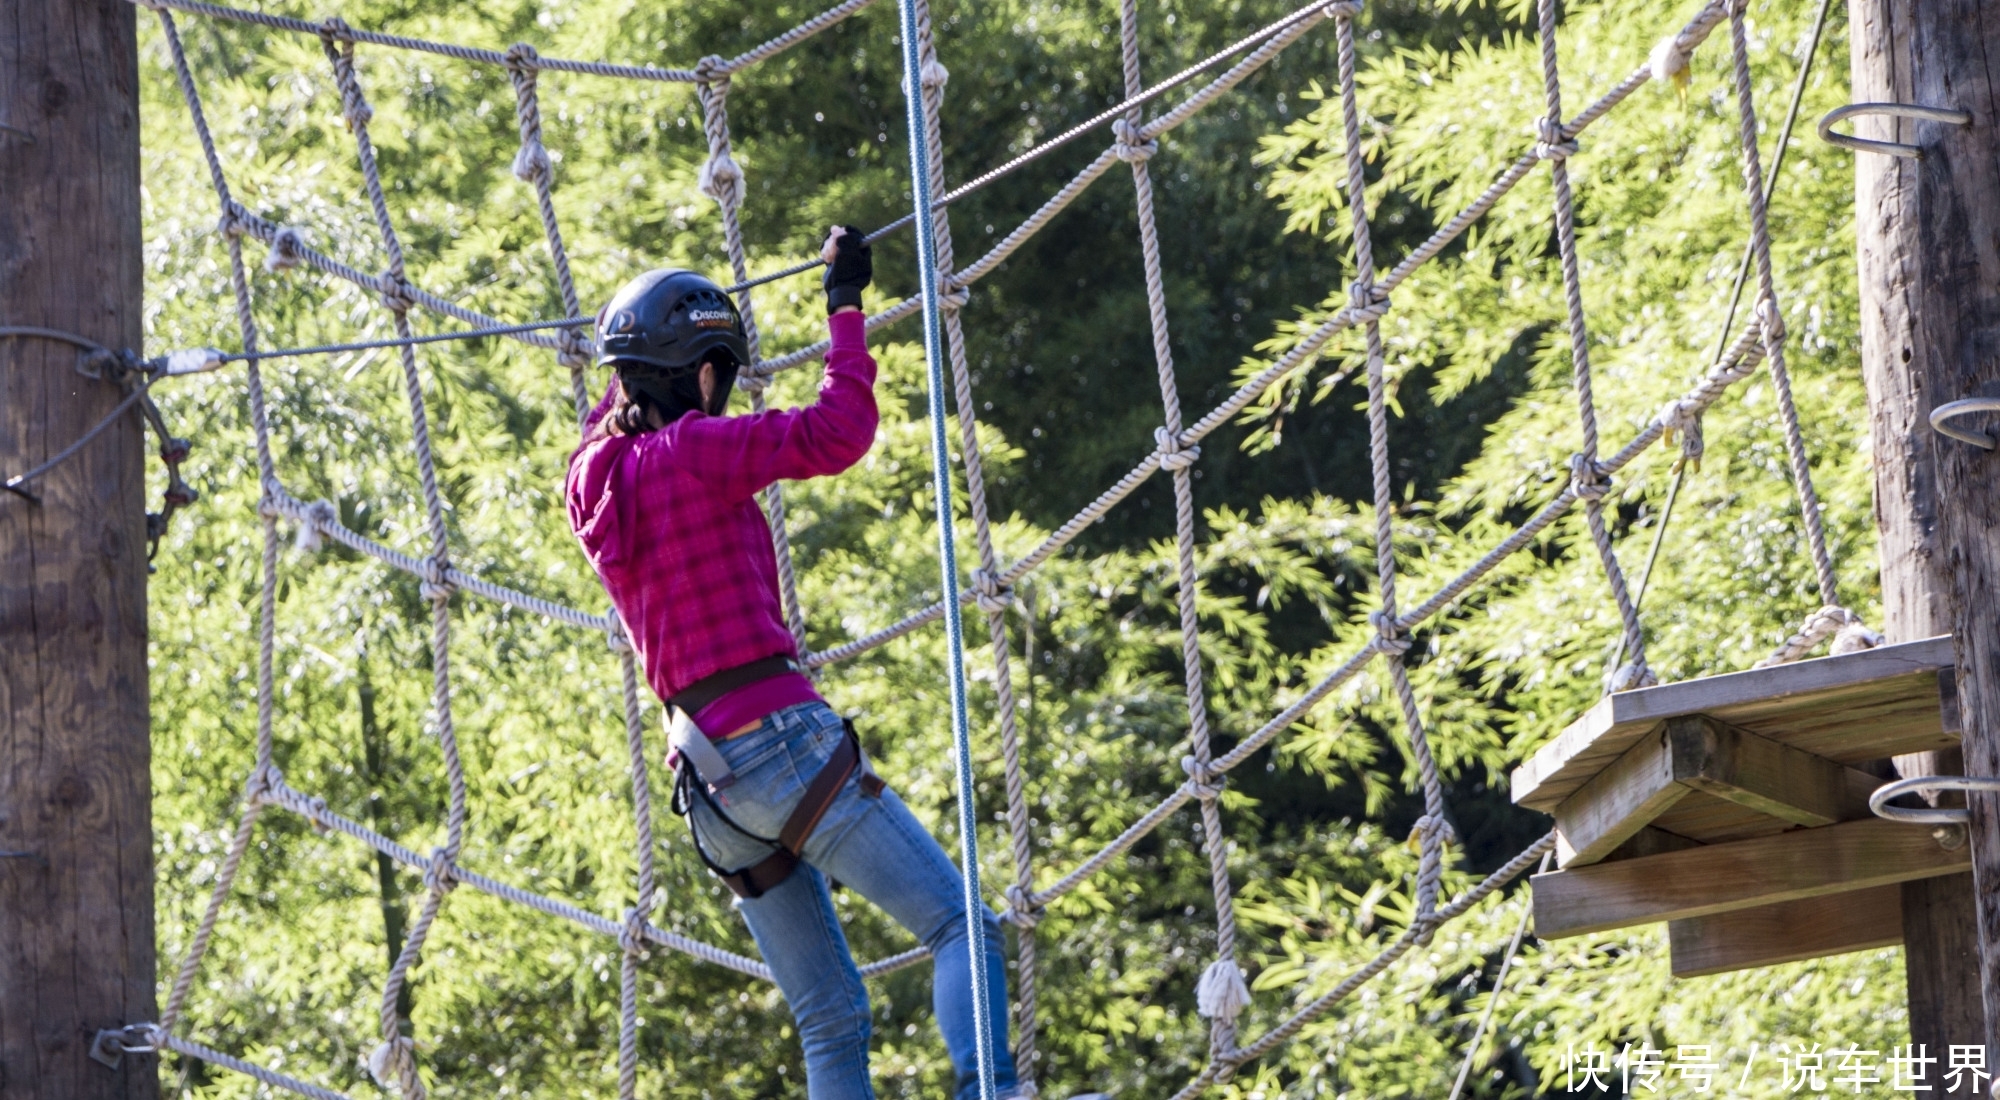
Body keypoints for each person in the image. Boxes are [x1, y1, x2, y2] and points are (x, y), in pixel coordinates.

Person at [565, 227, 1020, 1100]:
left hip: (710, 791)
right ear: (703, 374)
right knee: (965, 927)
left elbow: (615, 404)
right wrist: (844, 305)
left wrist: (623, 349)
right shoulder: (696, 450)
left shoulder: (591, 478)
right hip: (781, 744)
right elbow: (839, 430)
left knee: (831, 1016)